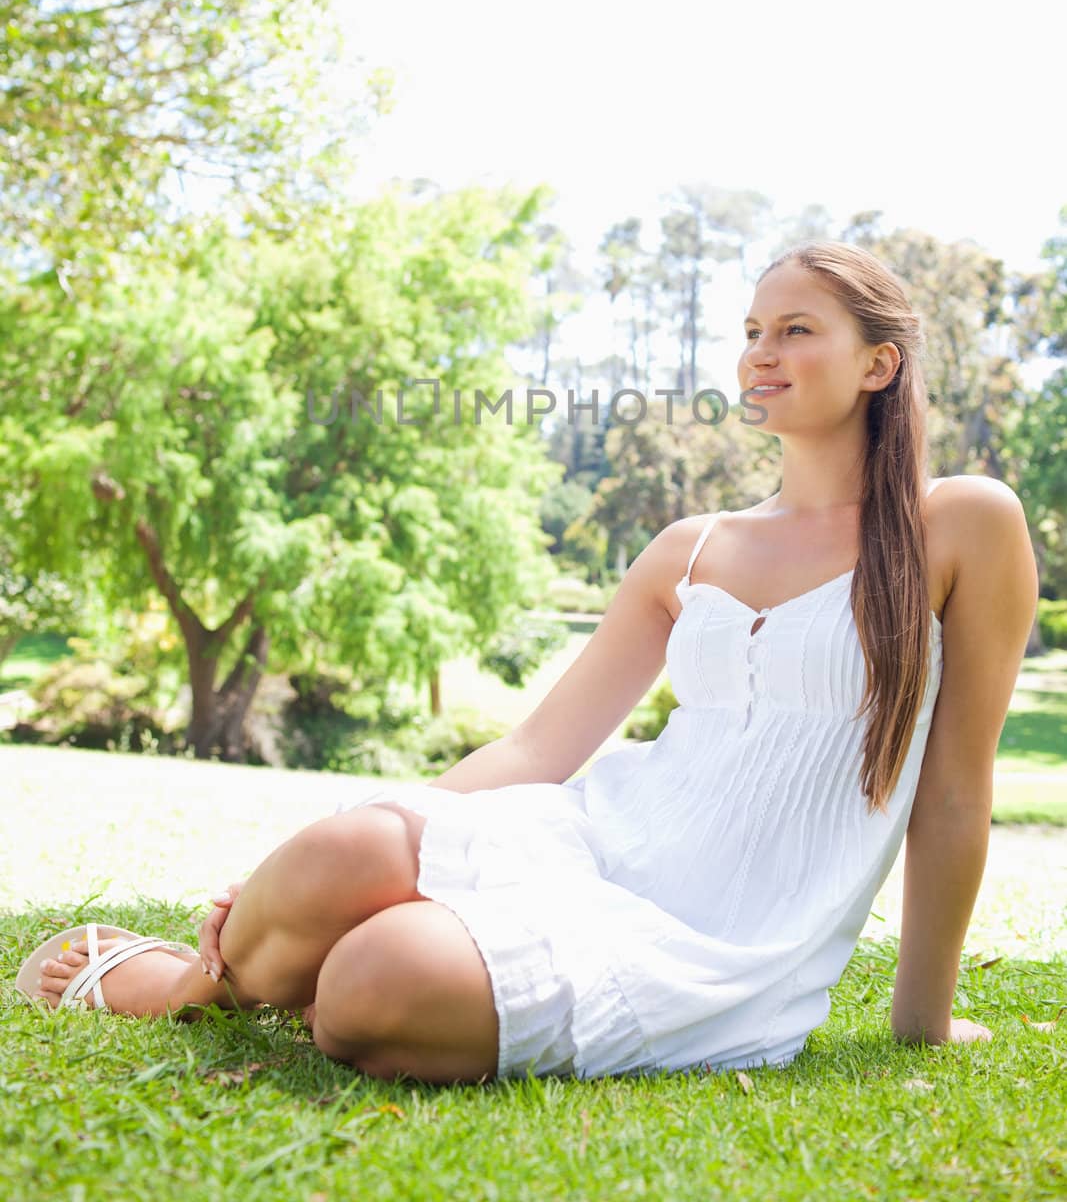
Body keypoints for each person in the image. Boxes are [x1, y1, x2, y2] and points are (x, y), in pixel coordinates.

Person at [25, 241, 1038, 1086]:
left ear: (879, 363)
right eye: (749, 332)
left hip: (711, 941)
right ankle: (203, 982)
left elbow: (953, 793)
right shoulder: (690, 546)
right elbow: (535, 745)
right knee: (343, 849)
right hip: (591, 839)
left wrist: (922, 1018)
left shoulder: (962, 524)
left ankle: (313, 968)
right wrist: (333, 854)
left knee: (372, 984)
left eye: (796, 329)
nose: (758, 355)